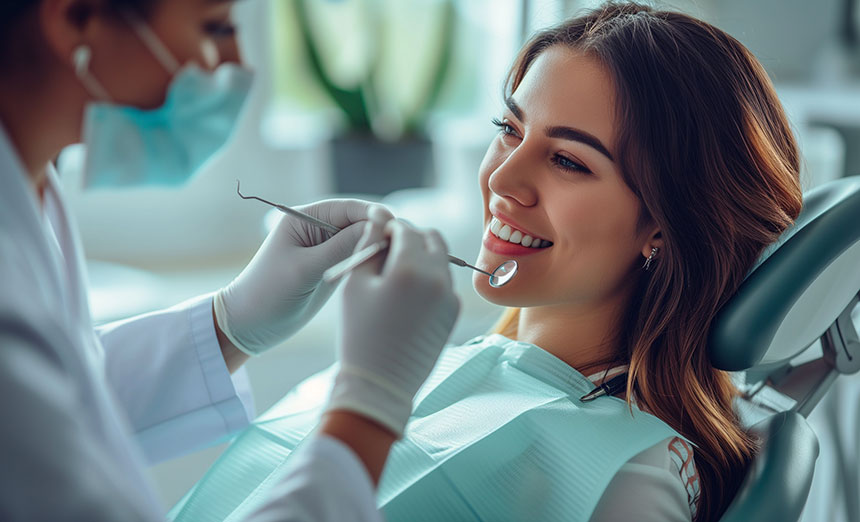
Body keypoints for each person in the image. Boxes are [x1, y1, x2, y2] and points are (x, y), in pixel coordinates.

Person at [162, 3, 805, 522]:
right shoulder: (457, 366)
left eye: (568, 161)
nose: (504, 180)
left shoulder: (632, 478)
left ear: (666, 224)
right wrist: (229, 324)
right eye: (509, 127)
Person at [0, 0, 459, 520]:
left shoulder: (30, 186)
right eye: (214, 27)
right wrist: (371, 404)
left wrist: (227, 325)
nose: (240, 63)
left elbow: (62, 396)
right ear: (75, 18)